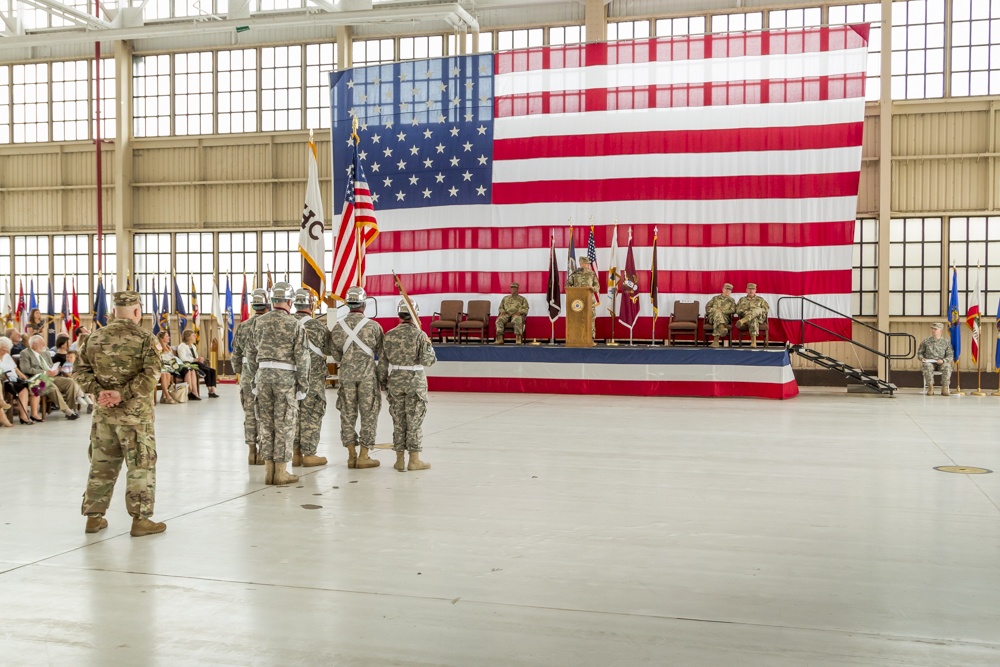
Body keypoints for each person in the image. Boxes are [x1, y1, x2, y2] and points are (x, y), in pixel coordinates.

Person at [77, 290, 166, 537]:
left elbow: (80, 373)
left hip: (103, 416)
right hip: (135, 418)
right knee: (140, 465)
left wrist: (100, 391)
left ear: (114, 311)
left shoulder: (93, 338)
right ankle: (141, 520)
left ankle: (94, 517)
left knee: (101, 465)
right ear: (137, 311)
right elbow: (151, 376)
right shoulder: (146, 339)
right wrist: (122, 394)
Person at [247, 282, 309, 485]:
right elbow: (302, 357)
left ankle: (269, 471)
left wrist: (253, 379)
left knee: (266, 423)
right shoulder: (295, 324)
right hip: (285, 378)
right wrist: (303, 385)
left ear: (272, 301)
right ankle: (281, 472)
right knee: (284, 424)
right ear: (290, 302)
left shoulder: (258, 322)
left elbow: (251, 353)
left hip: (263, 375)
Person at [328, 286, 384, 469]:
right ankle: (364, 455)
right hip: (368, 376)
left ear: (348, 304)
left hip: (346, 376)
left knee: (347, 414)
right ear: (364, 304)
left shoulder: (337, 327)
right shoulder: (374, 327)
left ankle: (351, 455)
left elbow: (336, 356)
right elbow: (381, 354)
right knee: (369, 415)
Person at [378, 299, 436, 472]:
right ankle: (414, 460)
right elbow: (428, 361)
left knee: (398, 421)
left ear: (399, 315)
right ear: (415, 315)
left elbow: (382, 363)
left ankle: (399, 459)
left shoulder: (389, 335)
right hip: (414, 382)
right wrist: (429, 347)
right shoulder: (420, 335)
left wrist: (383, 382)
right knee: (414, 422)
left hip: (395, 381)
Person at [290, 289, 329, 468]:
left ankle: (296, 453)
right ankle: (310, 453)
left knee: (293, 414)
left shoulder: (287, 324)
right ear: (311, 305)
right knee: (312, 413)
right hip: (313, 378)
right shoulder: (319, 327)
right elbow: (330, 350)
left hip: (290, 377)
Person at [232, 288, 270, 465]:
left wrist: (240, 371)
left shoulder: (244, 326)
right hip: (265, 372)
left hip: (248, 373)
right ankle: (263, 451)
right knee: (265, 413)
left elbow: (236, 354)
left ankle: (251, 451)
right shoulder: (269, 324)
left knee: (249, 413)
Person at [19, 335, 81, 420]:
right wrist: (44, 372)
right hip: (39, 378)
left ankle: (71, 408)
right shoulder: (25, 353)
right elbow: (25, 369)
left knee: (70, 382)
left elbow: (52, 366)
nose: (45, 346)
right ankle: (67, 411)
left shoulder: (46, 353)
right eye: (42, 344)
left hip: (52, 376)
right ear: (34, 345)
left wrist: (57, 370)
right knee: (52, 387)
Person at [0, 336, 38, 425]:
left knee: (27, 388)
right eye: (3, 350)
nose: (5, 352)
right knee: (22, 388)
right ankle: (23, 415)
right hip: (5, 382)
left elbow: (16, 369)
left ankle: (25, 416)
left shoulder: (7, 357)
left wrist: (24, 377)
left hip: (14, 380)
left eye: (7, 350)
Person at [156, 331, 200, 400]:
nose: (169, 337)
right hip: (165, 366)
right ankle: (165, 395)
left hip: (172, 365)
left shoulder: (169, 347)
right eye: (167, 336)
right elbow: (158, 356)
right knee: (166, 374)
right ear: (161, 338)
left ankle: (190, 391)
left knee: (189, 369)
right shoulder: (158, 346)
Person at [177, 329, 219, 398]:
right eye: (193, 335)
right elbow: (183, 358)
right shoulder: (182, 346)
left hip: (196, 363)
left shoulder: (193, 346)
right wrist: (195, 359)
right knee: (207, 370)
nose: (195, 336)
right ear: (187, 337)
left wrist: (199, 359)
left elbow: (195, 356)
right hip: (189, 364)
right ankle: (209, 390)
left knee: (213, 370)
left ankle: (213, 390)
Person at [565, 257, 600, 339]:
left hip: (589, 301)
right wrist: (574, 291)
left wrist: (592, 288)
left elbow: (597, 287)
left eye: (588, 263)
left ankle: (591, 338)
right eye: (586, 263)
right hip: (578, 302)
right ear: (581, 264)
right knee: (577, 319)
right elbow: (567, 286)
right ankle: (577, 337)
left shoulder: (592, 274)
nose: (588, 265)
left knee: (590, 319)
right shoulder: (574, 274)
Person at [918, 323, 954, 396]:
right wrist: (922, 358)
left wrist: (943, 361)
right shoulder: (926, 341)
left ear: (940, 331)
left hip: (941, 362)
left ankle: (944, 388)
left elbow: (950, 355)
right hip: (930, 362)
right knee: (927, 366)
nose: (933, 330)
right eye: (932, 329)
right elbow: (920, 353)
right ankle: (930, 388)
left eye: (935, 329)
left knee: (947, 367)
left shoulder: (946, 342)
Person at [735, 283, 770, 348]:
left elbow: (766, 309)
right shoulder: (742, 300)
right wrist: (746, 312)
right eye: (749, 289)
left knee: (756, 310)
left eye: (753, 289)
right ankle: (753, 342)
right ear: (746, 290)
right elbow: (737, 309)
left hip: (759, 319)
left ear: (755, 290)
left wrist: (757, 311)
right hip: (748, 319)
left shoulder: (760, 299)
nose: (751, 291)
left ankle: (742, 320)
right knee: (753, 318)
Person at [704, 283, 737, 347]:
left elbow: (733, 310)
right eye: (726, 289)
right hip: (712, 317)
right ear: (723, 289)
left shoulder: (731, 301)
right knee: (717, 313)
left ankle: (716, 342)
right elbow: (707, 308)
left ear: (731, 291)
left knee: (718, 318)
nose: (727, 291)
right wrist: (715, 311)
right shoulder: (715, 298)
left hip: (725, 318)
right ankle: (721, 328)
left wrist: (723, 312)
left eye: (729, 290)